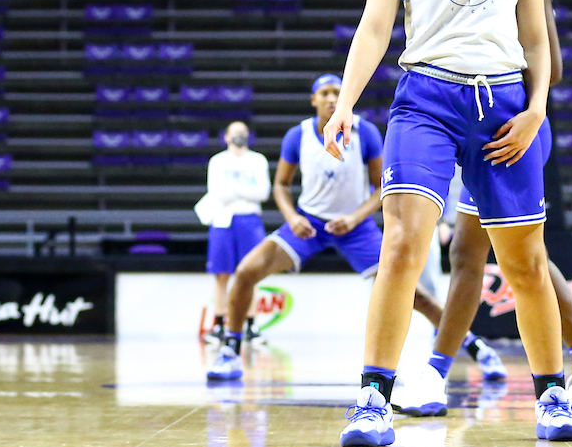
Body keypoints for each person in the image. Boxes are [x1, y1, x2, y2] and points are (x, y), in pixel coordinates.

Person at [326, 0, 572, 447]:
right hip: (427, 100)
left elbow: (536, 42)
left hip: (504, 108)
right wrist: (348, 103)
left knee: (525, 263)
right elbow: (375, 28)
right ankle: (373, 399)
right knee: (402, 245)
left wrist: (536, 110)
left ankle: (553, 397)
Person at [391, 0, 572, 418]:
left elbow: (552, 69)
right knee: (478, 256)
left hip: (512, 129)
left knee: (512, 259)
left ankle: (441, 374)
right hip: (491, 126)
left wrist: (525, 107)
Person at [204, 75, 479, 382]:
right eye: (324, 93)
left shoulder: (365, 132)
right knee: (245, 273)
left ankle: (475, 346)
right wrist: (293, 218)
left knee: (417, 294)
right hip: (309, 223)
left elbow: (380, 186)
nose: (332, 98)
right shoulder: (298, 135)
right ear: (314, 100)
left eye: (337, 91)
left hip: (355, 227)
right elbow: (281, 185)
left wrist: (355, 218)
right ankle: (230, 352)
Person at [196, 120, 271, 343]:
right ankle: (219, 325)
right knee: (221, 275)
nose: (239, 135)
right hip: (223, 220)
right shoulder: (218, 161)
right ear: (226, 137)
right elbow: (217, 192)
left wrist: (235, 190)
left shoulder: (258, 160)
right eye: (235, 132)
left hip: (250, 220)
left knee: (251, 274)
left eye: (243, 131)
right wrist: (246, 191)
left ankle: (251, 326)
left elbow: (263, 192)